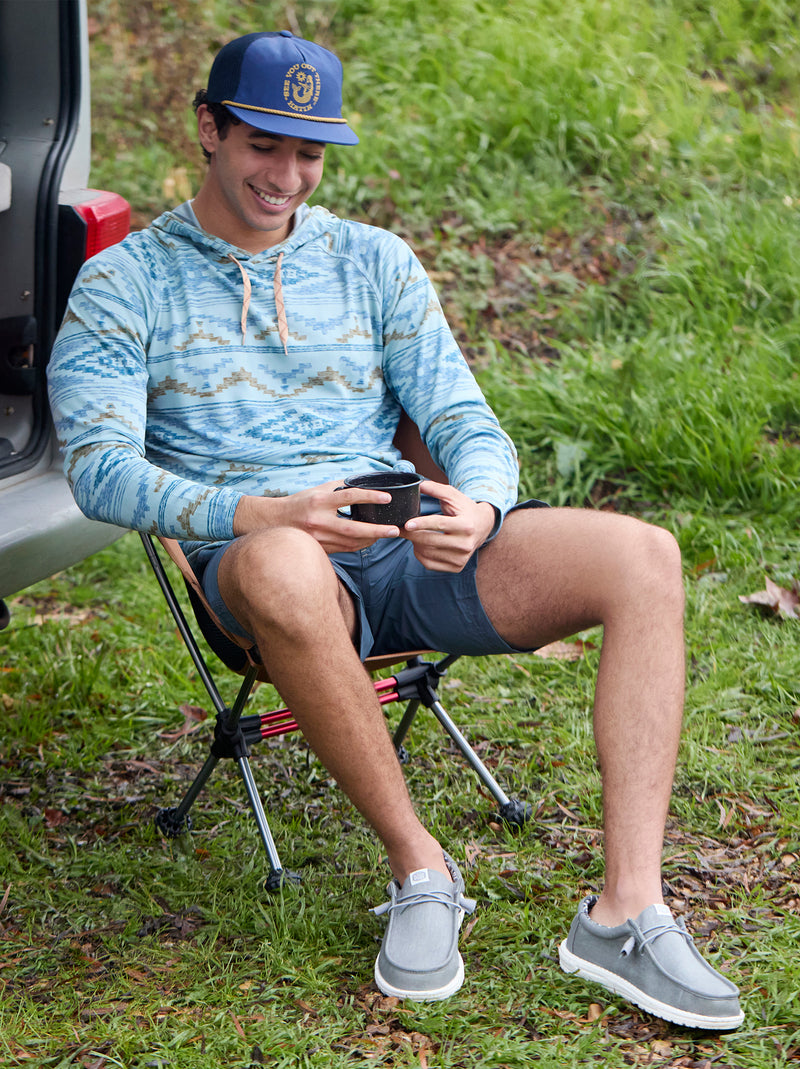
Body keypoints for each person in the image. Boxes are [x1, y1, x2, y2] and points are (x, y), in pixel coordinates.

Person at [48, 31, 743, 1027]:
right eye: (262, 145)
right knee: (284, 564)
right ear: (208, 128)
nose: (286, 175)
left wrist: (481, 504)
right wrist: (266, 513)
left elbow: (465, 422)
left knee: (645, 554)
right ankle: (422, 870)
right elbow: (100, 470)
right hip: (261, 567)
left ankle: (625, 909)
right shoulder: (126, 282)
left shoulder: (373, 260)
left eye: (309, 153)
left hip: (403, 544)